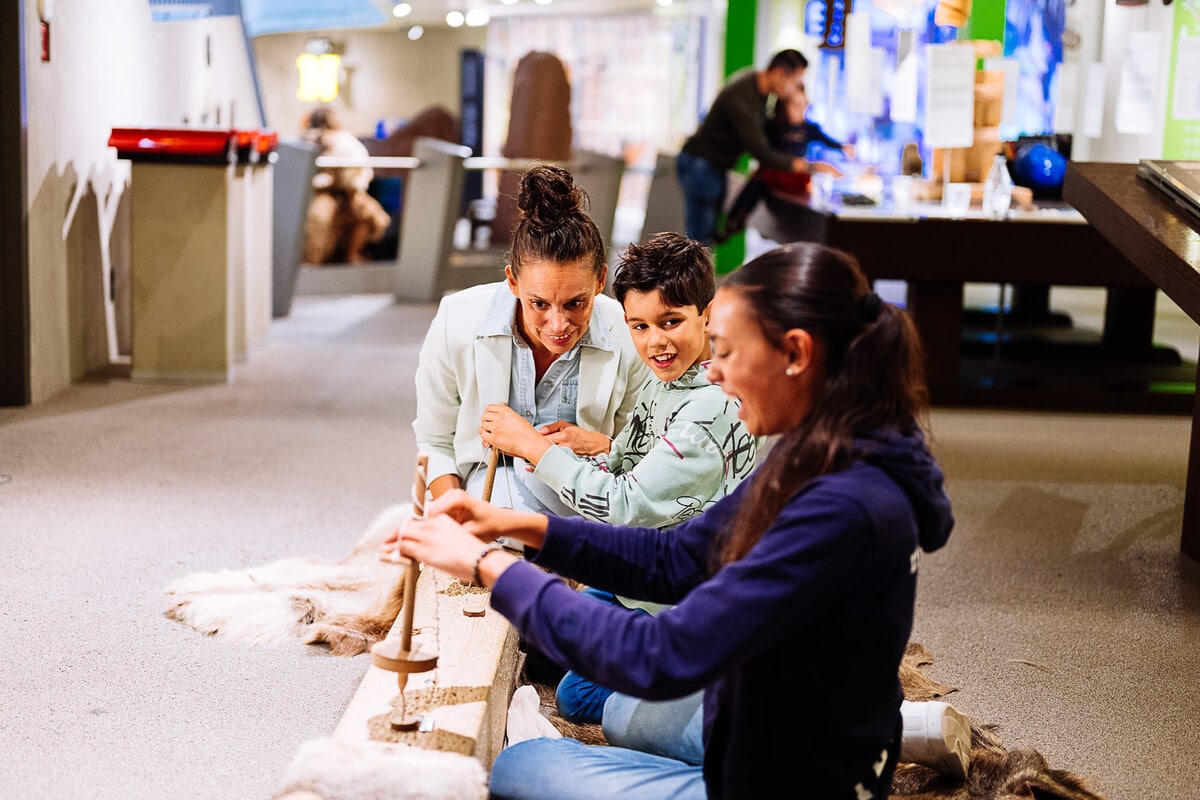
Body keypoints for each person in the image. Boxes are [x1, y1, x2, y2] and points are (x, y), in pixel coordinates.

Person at [395, 242, 959, 798]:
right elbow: (677, 557)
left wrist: (490, 566)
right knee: (619, 716)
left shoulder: (839, 508)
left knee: (521, 765)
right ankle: (889, 729)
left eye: (728, 352)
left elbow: (661, 654)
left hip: (788, 780)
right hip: (785, 721)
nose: (715, 375)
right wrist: (518, 527)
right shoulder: (824, 452)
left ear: (795, 352)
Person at [481, 232, 758, 725]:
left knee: (575, 697)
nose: (655, 342)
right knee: (547, 637)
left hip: (676, 595)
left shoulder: (709, 410)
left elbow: (625, 504)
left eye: (670, 322)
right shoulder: (667, 380)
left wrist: (537, 449)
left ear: (708, 315)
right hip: (638, 578)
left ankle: (712, 684)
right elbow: (627, 461)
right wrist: (582, 451)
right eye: (639, 326)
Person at [407, 164, 652, 514]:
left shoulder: (629, 333)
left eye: (576, 303)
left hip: (591, 499)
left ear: (600, 280)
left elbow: (645, 456)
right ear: (512, 282)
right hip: (483, 495)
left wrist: (602, 444)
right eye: (539, 304)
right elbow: (435, 441)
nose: (558, 324)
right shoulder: (456, 320)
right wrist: (456, 515)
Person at [675, 49, 839, 244]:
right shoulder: (743, 98)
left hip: (712, 165)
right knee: (697, 242)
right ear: (779, 74)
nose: (794, 88)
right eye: (794, 82)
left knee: (703, 238)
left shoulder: (757, 87)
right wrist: (812, 166)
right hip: (701, 165)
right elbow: (761, 152)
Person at [715, 82, 856, 243]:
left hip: (796, 178)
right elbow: (761, 151)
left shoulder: (809, 128)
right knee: (756, 182)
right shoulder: (772, 127)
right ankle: (734, 221)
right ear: (783, 106)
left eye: (804, 104)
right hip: (774, 175)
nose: (801, 109)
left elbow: (826, 140)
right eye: (796, 105)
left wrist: (842, 147)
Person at [301, 106, 392, 265]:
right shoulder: (312, 140)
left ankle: (352, 255)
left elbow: (359, 173)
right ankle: (312, 262)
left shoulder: (344, 141)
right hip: (324, 192)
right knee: (318, 220)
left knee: (375, 218)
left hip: (349, 191)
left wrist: (353, 191)